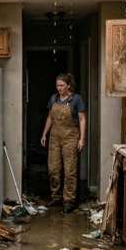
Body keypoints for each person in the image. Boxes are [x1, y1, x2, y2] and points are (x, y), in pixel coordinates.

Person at [41, 73, 87, 212]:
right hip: (55, 137)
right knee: (53, 169)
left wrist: (82, 139)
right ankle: (55, 197)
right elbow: (50, 117)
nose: (59, 88)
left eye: (62, 85)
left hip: (70, 138)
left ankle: (69, 201)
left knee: (69, 170)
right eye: (57, 85)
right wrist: (44, 134)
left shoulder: (76, 99)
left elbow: (82, 119)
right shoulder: (53, 98)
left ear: (68, 85)